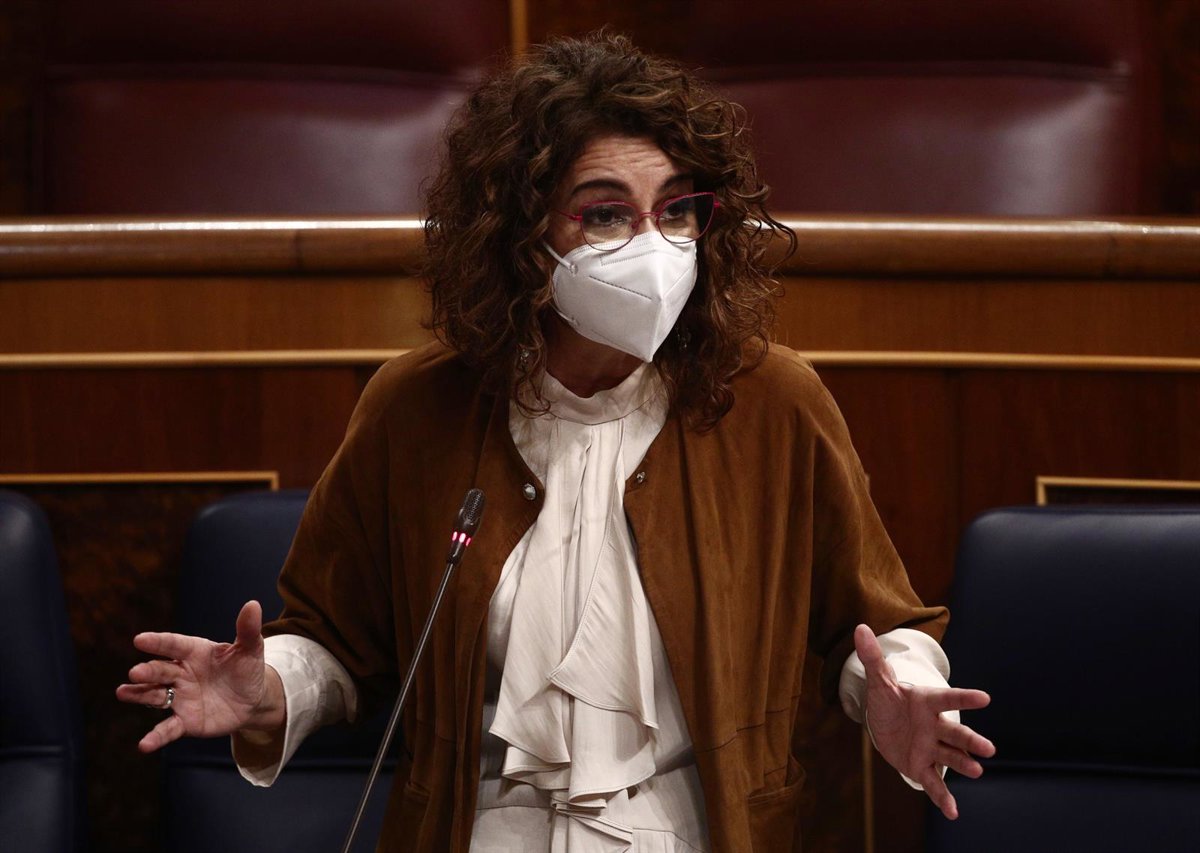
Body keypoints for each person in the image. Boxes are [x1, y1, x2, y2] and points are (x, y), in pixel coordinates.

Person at [117, 33, 994, 852]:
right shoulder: (415, 408)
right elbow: (337, 640)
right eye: (605, 215)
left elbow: (876, 624)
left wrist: (903, 689)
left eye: (678, 210)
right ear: (523, 237)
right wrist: (269, 689)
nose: (654, 246)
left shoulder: (772, 402)